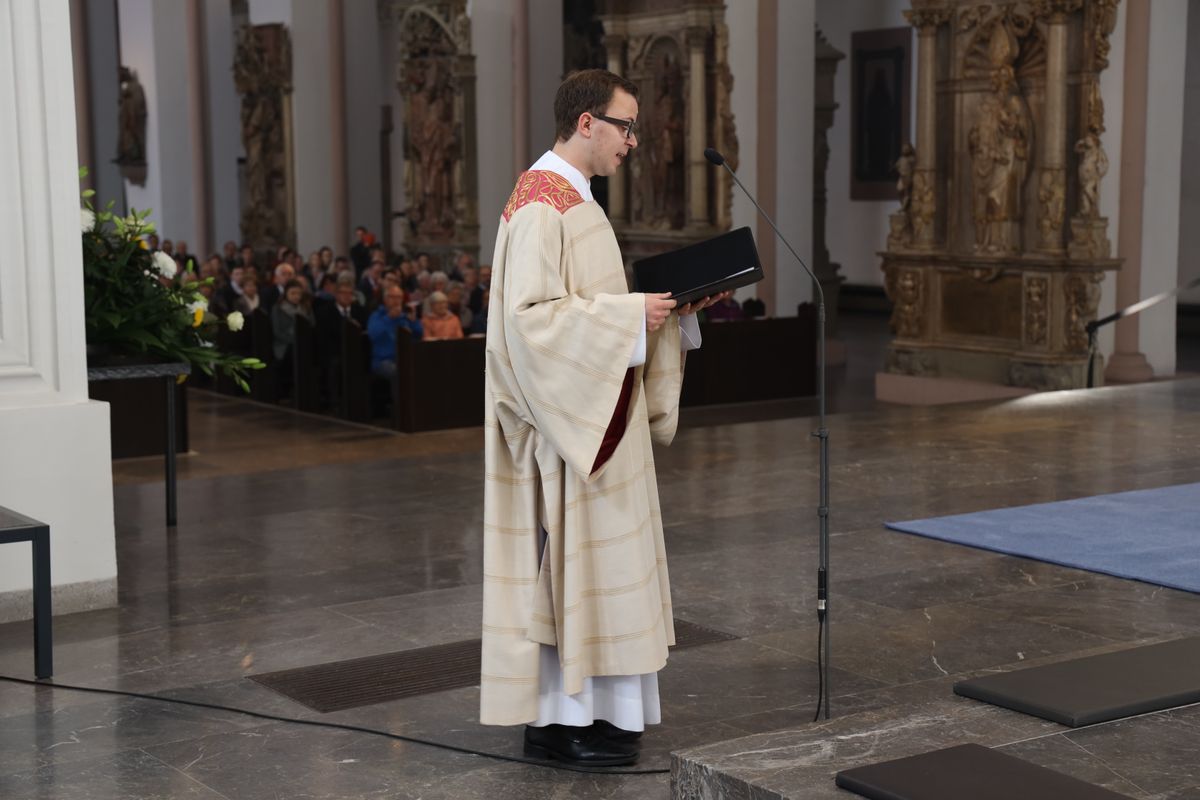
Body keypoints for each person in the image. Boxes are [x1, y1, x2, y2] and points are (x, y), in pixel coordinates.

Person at [479, 68, 728, 767]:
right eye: (625, 126)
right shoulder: (541, 205)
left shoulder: (573, 198)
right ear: (586, 122)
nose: (634, 141)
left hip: (597, 423)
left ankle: (597, 719)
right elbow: (528, 327)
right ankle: (567, 723)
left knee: (598, 575)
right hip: (569, 439)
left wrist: (663, 318)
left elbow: (580, 309)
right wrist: (627, 314)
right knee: (572, 578)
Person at [367, 284, 424, 377]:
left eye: (399, 297)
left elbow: (419, 335)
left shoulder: (405, 316)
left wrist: (414, 322)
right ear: (385, 299)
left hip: (406, 358)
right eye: (392, 297)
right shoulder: (377, 316)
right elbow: (374, 335)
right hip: (384, 360)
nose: (396, 300)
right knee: (399, 372)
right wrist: (390, 318)